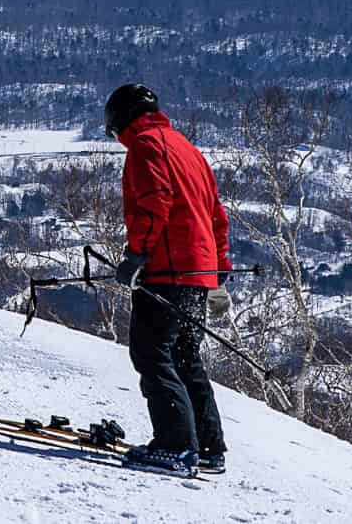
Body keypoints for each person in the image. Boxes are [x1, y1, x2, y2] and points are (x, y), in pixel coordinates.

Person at [104, 83, 231, 478]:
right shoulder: (187, 148)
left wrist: (137, 253)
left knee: (151, 351)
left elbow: (153, 202)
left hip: (167, 269)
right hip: (199, 271)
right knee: (186, 355)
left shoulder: (145, 146)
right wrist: (218, 269)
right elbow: (216, 214)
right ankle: (209, 447)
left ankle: (176, 446)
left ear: (120, 120)